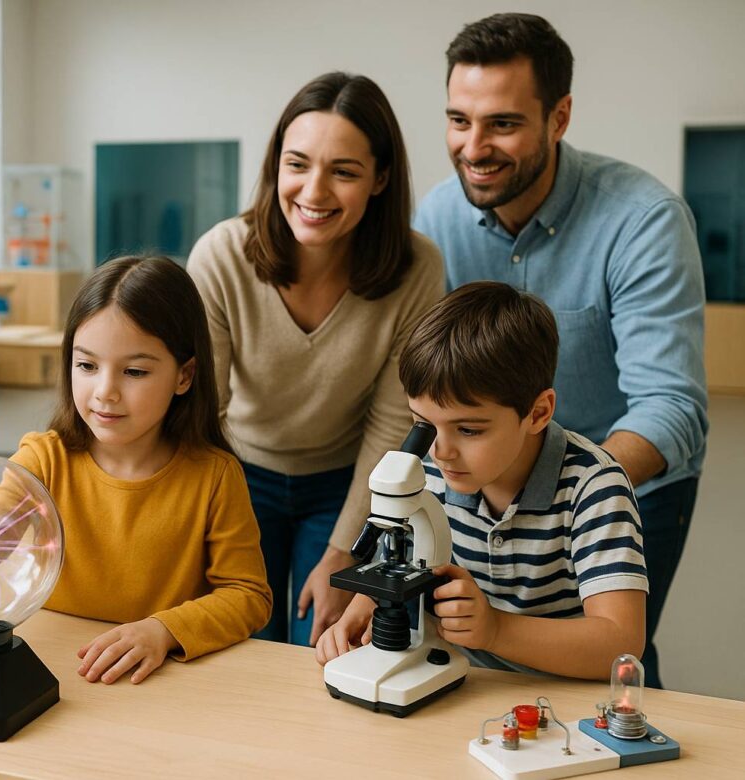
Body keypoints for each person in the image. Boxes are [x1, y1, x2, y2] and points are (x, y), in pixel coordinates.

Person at [413, 13, 707, 687]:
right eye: (458, 120)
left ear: (559, 117)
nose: (474, 147)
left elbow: (670, 406)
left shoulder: (643, 220)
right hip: (484, 474)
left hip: (623, 477)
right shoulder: (437, 218)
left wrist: (571, 496)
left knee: (607, 660)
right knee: (484, 654)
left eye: (503, 124)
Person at [0, 256, 273, 684]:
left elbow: (248, 595)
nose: (105, 392)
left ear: (185, 375)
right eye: (87, 366)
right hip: (62, 671)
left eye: (134, 371)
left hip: (160, 680)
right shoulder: (43, 461)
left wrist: (164, 630)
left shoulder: (215, 477)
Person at [187, 72, 444, 647]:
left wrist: (344, 551)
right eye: (297, 164)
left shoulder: (418, 268)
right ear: (275, 165)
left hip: (344, 482)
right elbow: (205, 411)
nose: (314, 191)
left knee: (322, 644)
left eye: (344, 172)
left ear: (380, 178)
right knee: (246, 637)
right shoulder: (220, 257)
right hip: (237, 470)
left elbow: (391, 421)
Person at [316, 282, 647, 679]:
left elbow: (620, 644)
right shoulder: (429, 475)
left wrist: (495, 630)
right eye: (423, 424)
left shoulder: (594, 489)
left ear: (538, 413)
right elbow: (394, 566)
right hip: (466, 684)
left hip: (559, 694)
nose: (441, 451)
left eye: (469, 430)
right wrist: (361, 609)